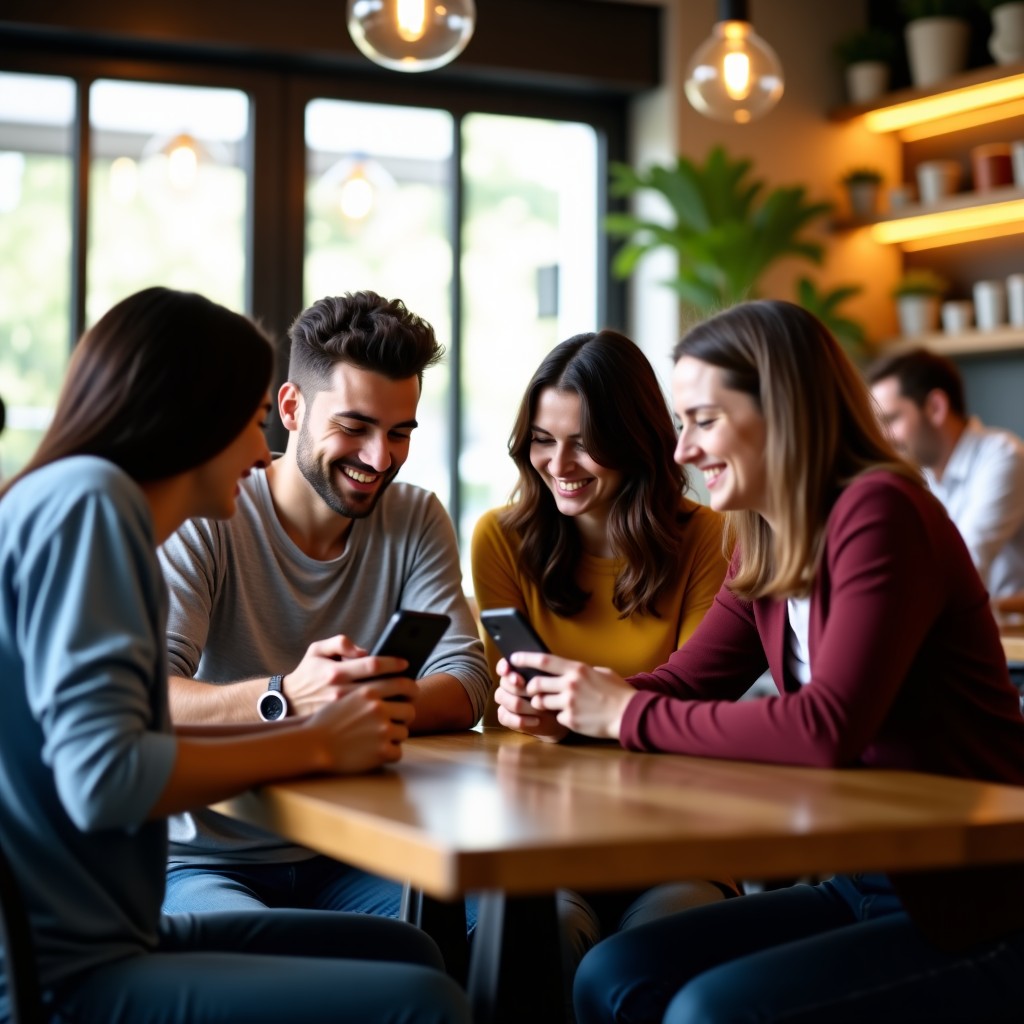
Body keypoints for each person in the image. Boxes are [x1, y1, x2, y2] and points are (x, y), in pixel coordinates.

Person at [494, 301, 1024, 1024]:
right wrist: (568, 709)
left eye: (702, 421)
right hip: (859, 884)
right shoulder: (765, 538)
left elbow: (823, 728)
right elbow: (681, 683)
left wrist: (620, 710)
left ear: (785, 411)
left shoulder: (881, 511)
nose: (681, 451)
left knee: (708, 1012)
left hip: (974, 905)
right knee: (613, 974)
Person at [0, 286, 470, 1024]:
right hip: (63, 973)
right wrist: (311, 739)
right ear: (187, 420)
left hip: (113, 935)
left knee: (414, 953)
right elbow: (104, 778)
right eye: (250, 422)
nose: (260, 453)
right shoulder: (95, 505)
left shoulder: (72, 499)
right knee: (425, 1001)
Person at [159, 290, 490, 920]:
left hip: (364, 854)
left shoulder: (416, 517)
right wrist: (288, 697)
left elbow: (468, 682)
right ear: (291, 407)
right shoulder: (213, 513)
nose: (378, 458)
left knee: (509, 930)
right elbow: (150, 694)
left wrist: (351, 707)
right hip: (206, 858)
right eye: (354, 427)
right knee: (264, 968)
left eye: (399, 434)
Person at [471, 330, 734, 997]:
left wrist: (581, 712)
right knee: (545, 931)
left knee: (667, 938)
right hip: (539, 829)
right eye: (542, 438)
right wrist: (512, 707)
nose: (559, 463)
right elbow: (506, 705)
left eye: (584, 441)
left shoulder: (709, 537)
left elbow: (695, 704)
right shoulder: (500, 538)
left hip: (675, 832)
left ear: (636, 439)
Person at [866, 346, 1024, 599]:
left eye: (891, 420)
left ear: (935, 407)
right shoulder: (918, 477)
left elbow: (965, 567)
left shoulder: (1003, 455)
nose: (884, 438)